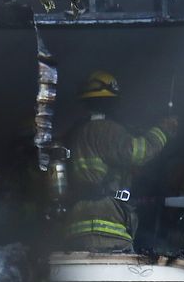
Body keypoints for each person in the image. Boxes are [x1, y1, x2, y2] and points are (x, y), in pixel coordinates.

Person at [59, 70, 176, 251]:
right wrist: (163, 130)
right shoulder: (106, 130)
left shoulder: (76, 133)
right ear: (112, 102)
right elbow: (138, 152)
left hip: (75, 224)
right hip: (105, 226)